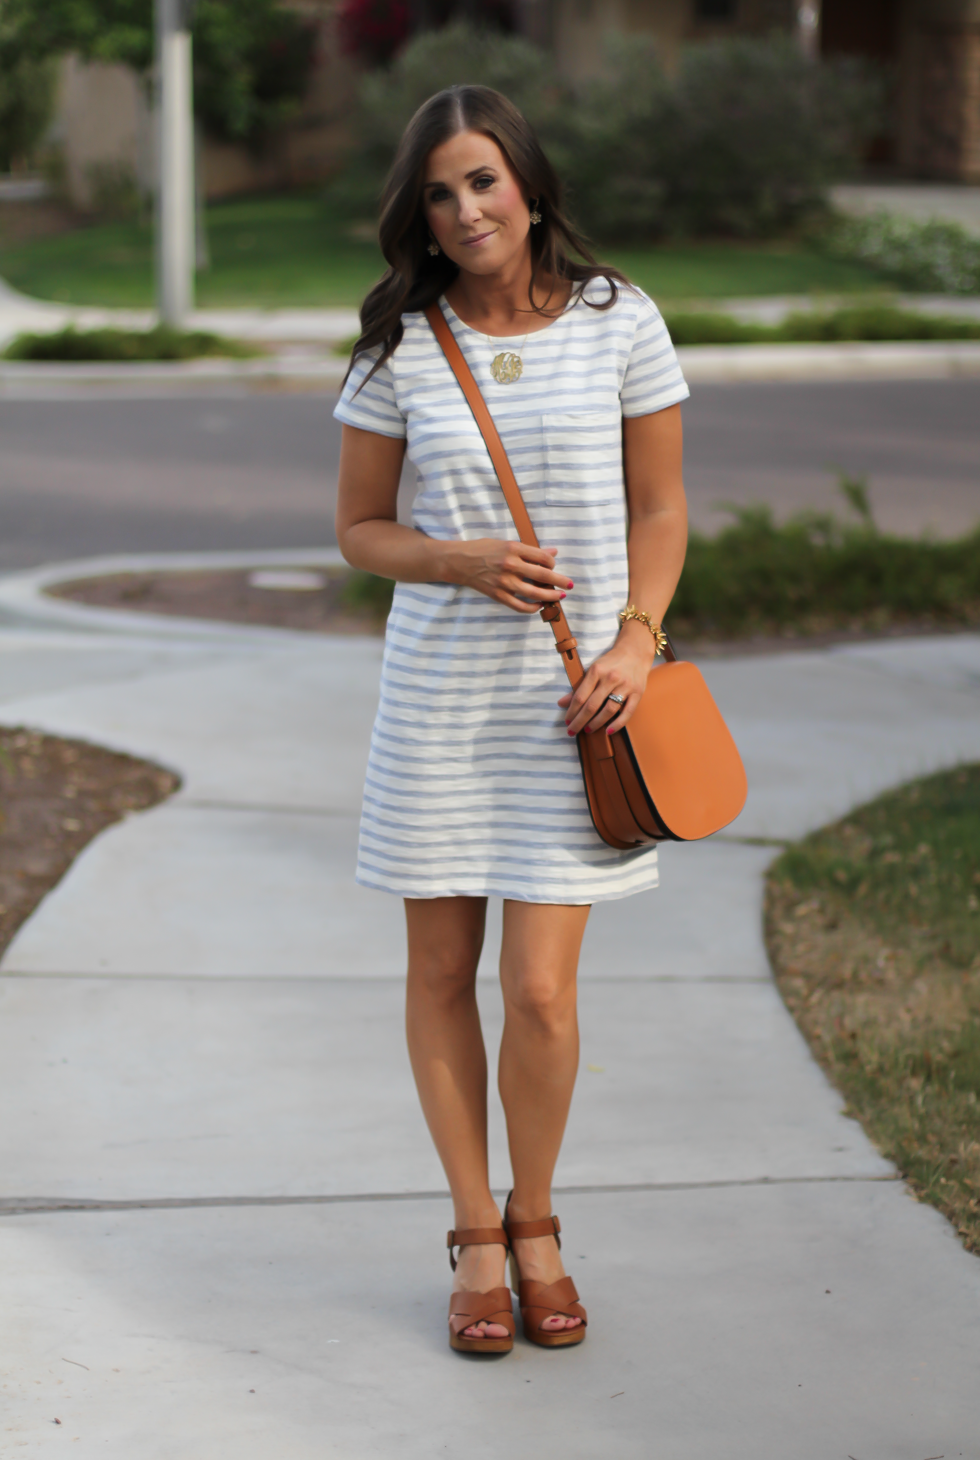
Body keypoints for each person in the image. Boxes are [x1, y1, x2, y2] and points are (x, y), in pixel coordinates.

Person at [334, 84, 689, 1355]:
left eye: (481, 179)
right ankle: (474, 1233)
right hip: (439, 698)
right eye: (438, 192)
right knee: (439, 971)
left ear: (526, 183)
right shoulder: (400, 343)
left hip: (576, 702)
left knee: (537, 993)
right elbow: (360, 529)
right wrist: (462, 560)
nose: (465, 208)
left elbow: (659, 509)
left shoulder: (619, 320)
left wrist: (634, 641)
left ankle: (536, 1218)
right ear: (417, 215)